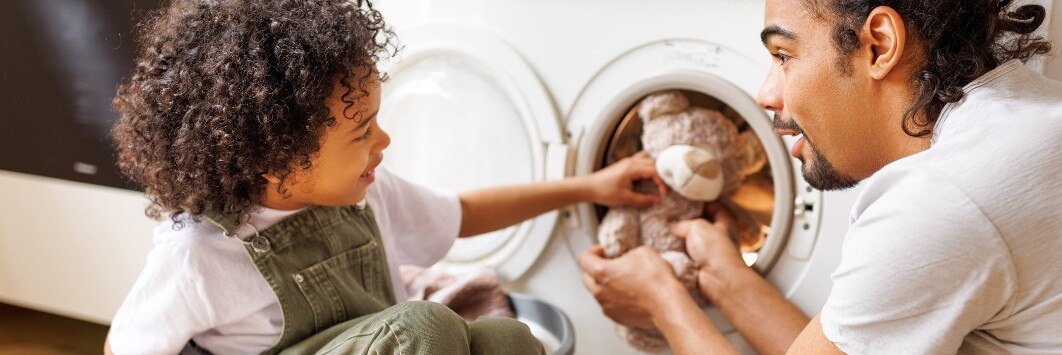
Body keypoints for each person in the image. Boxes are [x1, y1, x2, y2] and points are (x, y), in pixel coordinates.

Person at [578, 0, 1062, 353]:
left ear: (879, 43)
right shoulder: (1045, 113)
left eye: (784, 56)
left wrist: (665, 303)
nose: (766, 92)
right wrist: (725, 275)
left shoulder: (949, 197)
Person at [104, 0, 660, 353]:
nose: (384, 140)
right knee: (426, 327)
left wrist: (591, 187)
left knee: (504, 338)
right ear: (277, 157)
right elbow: (126, 346)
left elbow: (464, 213)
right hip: (412, 337)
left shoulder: (367, 193)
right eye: (361, 131)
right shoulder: (198, 256)